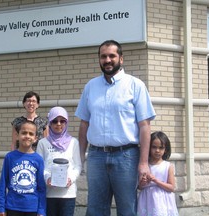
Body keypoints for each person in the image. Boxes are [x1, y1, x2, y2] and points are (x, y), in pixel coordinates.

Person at [75, 39, 156, 216]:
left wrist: (143, 163)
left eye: (112, 55)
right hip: (96, 156)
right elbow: (84, 124)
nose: (107, 60)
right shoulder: (91, 87)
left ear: (121, 58)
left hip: (126, 156)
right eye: (103, 56)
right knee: (95, 209)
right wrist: (80, 155)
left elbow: (144, 126)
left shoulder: (135, 85)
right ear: (99, 59)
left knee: (127, 209)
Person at [36, 106, 82, 216]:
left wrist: (71, 179)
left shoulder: (73, 142)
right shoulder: (43, 143)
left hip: (68, 194)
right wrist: (47, 178)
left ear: (66, 123)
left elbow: (78, 166)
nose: (58, 124)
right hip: (49, 194)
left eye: (62, 121)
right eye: (55, 121)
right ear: (50, 123)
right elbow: (39, 167)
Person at [0, 119, 46, 216]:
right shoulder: (10, 157)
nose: (27, 136)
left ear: (35, 138)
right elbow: (2, 184)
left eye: (31, 134)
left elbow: (42, 188)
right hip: (12, 206)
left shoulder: (38, 159)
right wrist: (0, 208)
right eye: (24, 133)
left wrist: (41, 210)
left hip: (32, 208)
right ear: (17, 136)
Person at [137, 131, 179, 216]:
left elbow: (171, 187)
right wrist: (143, 182)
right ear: (148, 148)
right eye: (154, 147)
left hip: (163, 201)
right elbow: (140, 187)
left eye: (161, 148)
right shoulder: (144, 166)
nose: (157, 150)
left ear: (165, 149)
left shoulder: (168, 166)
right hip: (147, 200)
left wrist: (156, 181)